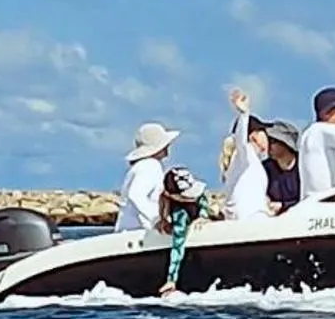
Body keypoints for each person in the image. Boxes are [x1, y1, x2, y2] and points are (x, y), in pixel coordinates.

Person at [116, 121, 179, 232]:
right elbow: (135, 195)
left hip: (127, 232)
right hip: (136, 233)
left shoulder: (139, 167)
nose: (167, 150)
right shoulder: (150, 165)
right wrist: (157, 221)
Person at [219, 89, 272, 220]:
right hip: (249, 220)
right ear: (254, 135)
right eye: (264, 132)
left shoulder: (248, 161)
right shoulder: (245, 154)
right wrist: (244, 114)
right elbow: (241, 140)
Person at [157, 165, 209, 295]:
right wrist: (171, 279)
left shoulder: (198, 196)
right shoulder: (179, 214)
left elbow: (203, 201)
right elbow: (177, 245)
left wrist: (203, 216)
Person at [262, 121, 301, 213]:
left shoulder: (303, 165)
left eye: (273, 141)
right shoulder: (265, 168)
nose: (269, 145)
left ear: (286, 143)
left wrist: (283, 206)